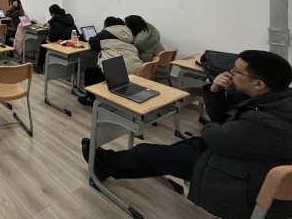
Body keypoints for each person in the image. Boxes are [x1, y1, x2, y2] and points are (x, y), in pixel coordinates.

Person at [81, 50, 292, 219]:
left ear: (258, 84)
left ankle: (103, 162)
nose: (230, 73)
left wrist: (215, 125)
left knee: (146, 153)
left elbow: (213, 132)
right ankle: (107, 167)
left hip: (233, 173)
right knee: (170, 153)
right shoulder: (269, 98)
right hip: (234, 154)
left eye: (236, 71)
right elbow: (220, 119)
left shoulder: (267, 122)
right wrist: (215, 90)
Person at [78, 16, 142, 106]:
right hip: (136, 70)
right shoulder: (128, 32)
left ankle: (90, 99)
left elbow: (92, 43)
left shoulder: (106, 32)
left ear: (106, 25)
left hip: (122, 74)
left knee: (90, 72)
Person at [34, 4, 78, 74]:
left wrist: (51, 31)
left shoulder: (55, 22)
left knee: (44, 44)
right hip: (73, 41)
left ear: (52, 14)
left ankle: (39, 66)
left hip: (63, 43)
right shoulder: (68, 17)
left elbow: (52, 38)